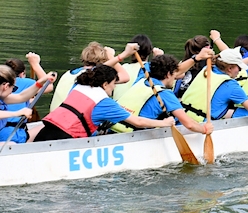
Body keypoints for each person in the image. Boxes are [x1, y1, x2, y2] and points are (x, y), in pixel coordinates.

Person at [35, 65, 174, 141]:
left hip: (44, 132)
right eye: (114, 83)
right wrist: (164, 123)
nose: (114, 87)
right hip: (64, 140)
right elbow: (137, 122)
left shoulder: (79, 86)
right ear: (105, 83)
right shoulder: (104, 102)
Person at [179, 47, 248, 127]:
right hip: (201, 125)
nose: (240, 71)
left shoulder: (208, 69)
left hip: (182, 119)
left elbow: (234, 65)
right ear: (230, 68)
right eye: (239, 68)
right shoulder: (231, 86)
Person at [111, 54, 214, 135]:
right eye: (174, 74)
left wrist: (196, 58)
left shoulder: (141, 79)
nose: (175, 78)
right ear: (168, 74)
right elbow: (189, 125)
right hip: (133, 136)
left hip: (111, 128)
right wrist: (204, 129)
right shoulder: (165, 94)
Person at [48, 41, 138, 111]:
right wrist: (111, 57)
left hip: (54, 115)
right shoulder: (93, 76)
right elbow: (125, 77)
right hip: (68, 121)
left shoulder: (69, 73)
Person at [111, 34, 158, 100]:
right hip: (134, 108)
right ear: (149, 52)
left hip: (117, 105)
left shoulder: (122, 67)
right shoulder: (150, 69)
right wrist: (158, 58)